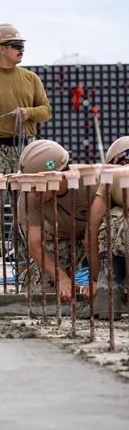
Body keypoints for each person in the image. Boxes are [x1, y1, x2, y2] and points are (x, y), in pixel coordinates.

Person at [0, 24, 51, 267]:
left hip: (24, 150)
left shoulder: (30, 79)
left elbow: (45, 111)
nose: (21, 50)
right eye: (16, 46)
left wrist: (29, 113)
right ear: (0, 49)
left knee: (27, 205)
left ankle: (23, 255)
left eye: (22, 46)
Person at [16, 140, 98, 310]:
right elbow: (36, 245)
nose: (30, 190)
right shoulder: (28, 198)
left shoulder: (91, 183)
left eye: (35, 184)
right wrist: (62, 278)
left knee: (109, 287)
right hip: (62, 237)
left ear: (57, 177)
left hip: (99, 240)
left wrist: (97, 279)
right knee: (38, 291)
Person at [87, 136, 129, 317]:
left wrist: (96, 279)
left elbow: (92, 233)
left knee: (113, 220)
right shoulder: (110, 184)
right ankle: (109, 291)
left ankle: (109, 292)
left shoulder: (110, 181)